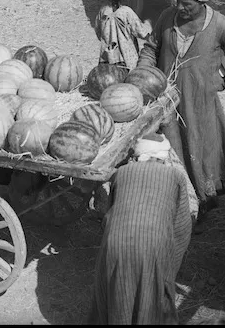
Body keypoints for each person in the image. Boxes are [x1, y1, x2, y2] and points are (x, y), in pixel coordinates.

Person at [136, 0, 225, 224]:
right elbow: (151, 47)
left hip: (200, 102)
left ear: (202, 4)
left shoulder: (219, 25)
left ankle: (204, 204)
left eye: (186, 4)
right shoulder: (167, 17)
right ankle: (175, 202)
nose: (180, 7)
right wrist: (143, 75)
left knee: (200, 150)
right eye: (178, 1)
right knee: (171, 150)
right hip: (166, 101)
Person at [89, 134, 194, 324]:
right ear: (163, 158)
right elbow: (182, 226)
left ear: (137, 156)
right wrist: (169, 268)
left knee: (117, 290)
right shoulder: (176, 176)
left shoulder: (121, 173)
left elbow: (109, 216)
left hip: (116, 243)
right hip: (153, 244)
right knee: (152, 293)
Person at [95, 0, 152, 69]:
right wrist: (150, 38)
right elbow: (140, 32)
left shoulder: (103, 10)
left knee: (107, 78)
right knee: (125, 81)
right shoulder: (127, 12)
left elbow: (98, 30)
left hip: (107, 56)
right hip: (126, 58)